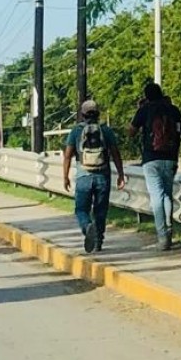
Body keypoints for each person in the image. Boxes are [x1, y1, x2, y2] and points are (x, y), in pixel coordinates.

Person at [129, 83, 181, 251]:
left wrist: (139, 111)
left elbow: (131, 132)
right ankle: (169, 231)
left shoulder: (144, 110)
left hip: (151, 158)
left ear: (146, 96)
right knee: (167, 194)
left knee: (156, 197)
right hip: (171, 158)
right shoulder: (172, 109)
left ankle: (162, 237)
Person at [63, 99, 126, 253]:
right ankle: (98, 241)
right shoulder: (106, 130)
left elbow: (68, 155)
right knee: (100, 210)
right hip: (103, 175)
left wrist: (65, 176)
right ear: (98, 114)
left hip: (84, 175)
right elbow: (115, 153)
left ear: (82, 114)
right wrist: (120, 173)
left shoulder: (76, 131)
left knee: (81, 209)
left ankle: (86, 226)